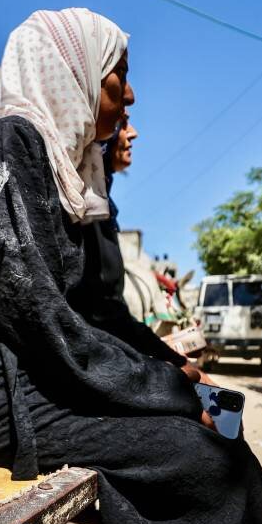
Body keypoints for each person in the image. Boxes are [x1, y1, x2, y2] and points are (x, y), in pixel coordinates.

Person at [0, 8, 262, 524]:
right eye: (116, 77)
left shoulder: (66, 171)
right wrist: (167, 390)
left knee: (220, 445)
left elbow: (99, 311)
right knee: (203, 460)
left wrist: (169, 369)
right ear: (70, 74)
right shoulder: (10, 144)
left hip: (41, 378)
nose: (130, 96)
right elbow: (38, 317)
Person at [72, 111, 193, 372]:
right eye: (122, 123)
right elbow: (102, 313)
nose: (133, 133)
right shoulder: (80, 209)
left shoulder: (100, 205)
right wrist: (172, 363)